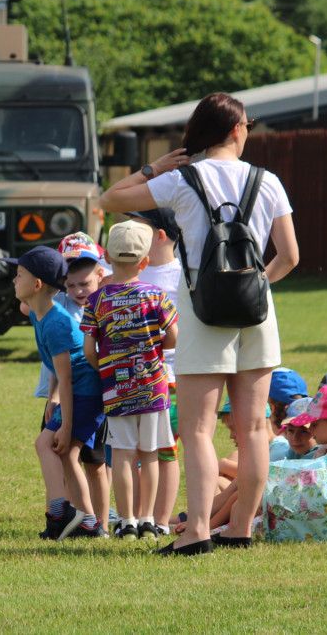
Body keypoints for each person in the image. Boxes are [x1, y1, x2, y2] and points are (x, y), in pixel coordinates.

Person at [100, 92, 299, 555]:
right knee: (252, 430)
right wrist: (256, 287)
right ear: (235, 129)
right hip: (256, 313)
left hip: (201, 311)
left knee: (197, 430)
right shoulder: (267, 181)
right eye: (247, 125)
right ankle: (242, 528)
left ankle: (197, 533)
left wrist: (153, 168)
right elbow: (289, 256)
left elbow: (110, 199)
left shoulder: (182, 179)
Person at [81, 220, 177, 541]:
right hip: (153, 388)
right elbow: (174, 338)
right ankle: (148, 519)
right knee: (150, 453)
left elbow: (88, 350)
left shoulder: (96, 301)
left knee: (122, 454)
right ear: (144, 261)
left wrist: (105, 368)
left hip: (116, 388)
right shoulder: (156, 295)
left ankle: (126, 522)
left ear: (107, 257)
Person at [5, 246, 105, 539]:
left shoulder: (58, 324)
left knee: (46, 444)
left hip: (86, 393)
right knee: (66, 454)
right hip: (75, 392)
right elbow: (55, 368)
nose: (14, 280)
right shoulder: (40, 315)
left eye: (19, 274)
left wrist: (68, 424)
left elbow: (69, 375)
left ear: (36, 285)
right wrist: (52, 398)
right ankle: (88, 524)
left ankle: (60, 513)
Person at [126, 208, 182, 535]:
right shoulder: (126, 270)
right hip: (126, 381)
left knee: (164, 451)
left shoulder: (182, 276)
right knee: (130, 451)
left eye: (140, 227)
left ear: (159, 235)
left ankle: (160, 520)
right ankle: (133, 516)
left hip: (169, 382)